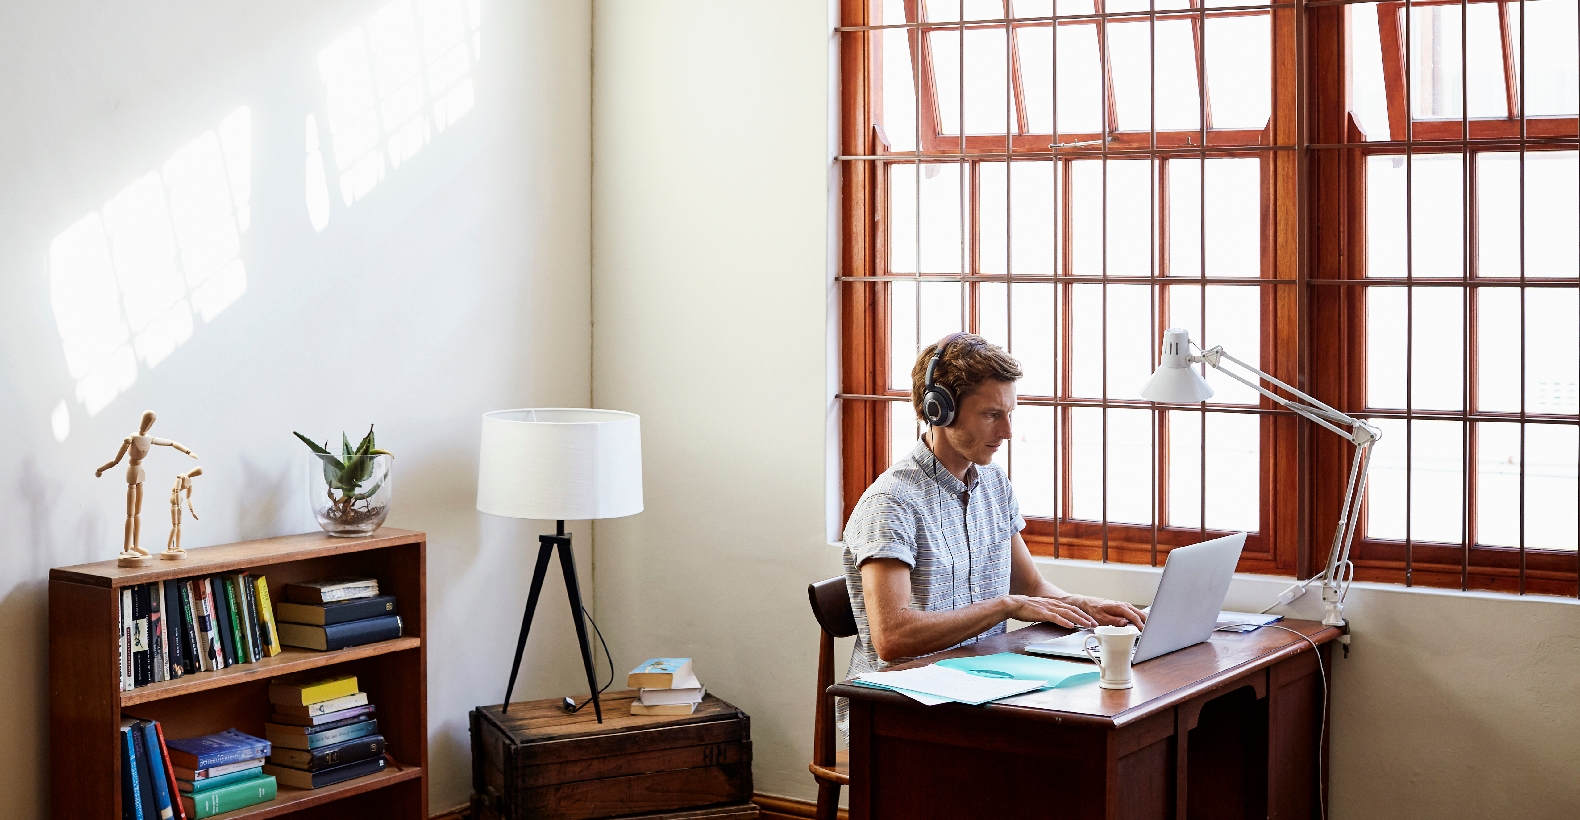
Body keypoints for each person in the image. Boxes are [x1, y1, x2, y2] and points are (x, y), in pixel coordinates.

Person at [842, 333, 1147, 712]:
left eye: (1009, 414)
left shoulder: (993, 481)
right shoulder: (891, 502)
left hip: (981, 688)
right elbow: (892, 637)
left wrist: (1087, 608)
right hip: (901, 707)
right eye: (991, 415)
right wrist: (1003, 606)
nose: (1007, 432)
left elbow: (1030, 586)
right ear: (940, 411)